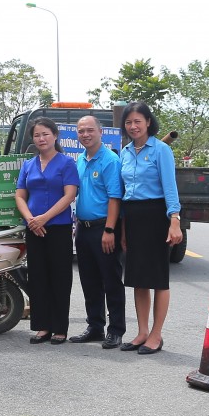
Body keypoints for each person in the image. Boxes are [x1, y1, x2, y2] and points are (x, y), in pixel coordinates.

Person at [117, 102, 182, 355]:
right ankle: (142, 331)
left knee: (158, 279)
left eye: (138, 121)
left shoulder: (161, 150)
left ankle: (156, 334)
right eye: (129, 122)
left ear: (148, 122)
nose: (133, 126)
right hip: (132, 218)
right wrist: (122, 229)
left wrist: (174, 221)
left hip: (156, 216)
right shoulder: (124, 152)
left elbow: (170, 188)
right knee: (137, 279)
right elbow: (122, 194)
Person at [15, 117, 80, 345]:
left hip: (58, 228)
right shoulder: (28, 165)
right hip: (34, 229)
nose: (41, 139)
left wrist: (44, 218)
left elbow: (69, 195)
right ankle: (42, 327)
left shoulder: (66, 163)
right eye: (36, 135)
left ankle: (60, 328)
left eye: (45, 134)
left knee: (60, 278)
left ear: (55, 136)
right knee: (38, 278)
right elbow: (20, 195)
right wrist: (31, 219)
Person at [69, 115, 125, 348]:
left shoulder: (110, 160)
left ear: (100, 132)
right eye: (81, 131)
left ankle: (116, 329)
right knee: (89, 281)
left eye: (90, 130)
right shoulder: (80, 160)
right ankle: (95, 326)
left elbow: (115, 197)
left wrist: (110, 230)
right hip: (83, 228)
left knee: (110, 280)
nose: (85, 134)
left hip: (104, 228)